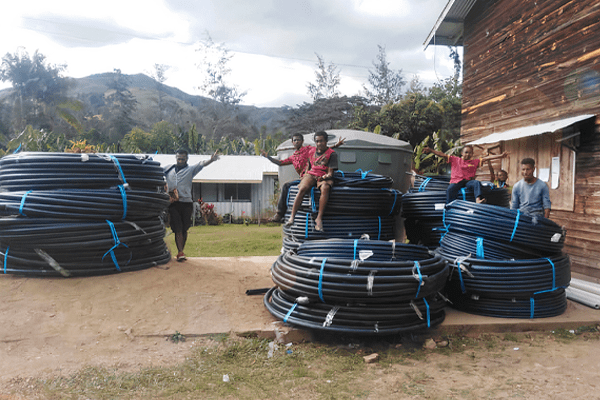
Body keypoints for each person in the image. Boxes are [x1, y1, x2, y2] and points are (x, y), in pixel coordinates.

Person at [261, 133, 344, 222]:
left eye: (298, 140)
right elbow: (281, 163)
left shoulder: (308, 149)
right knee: (286, 186)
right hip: (304, 177)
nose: (296, 142)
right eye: (294, 140)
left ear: (302, 141)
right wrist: (268, 157)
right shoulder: (293, 157)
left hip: (314, 174)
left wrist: (336, 145)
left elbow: (322, 149)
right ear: (292, 142)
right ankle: (279, 214)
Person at [164, 149, 220, 261]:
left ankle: (181, 251)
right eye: (178, 158)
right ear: (176, 158)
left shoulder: (190, 170)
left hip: (187, 203)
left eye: (182, 158)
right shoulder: (168, 169)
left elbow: (201, 165)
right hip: (173, 203)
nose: (180, 160)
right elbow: (155, 175)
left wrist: (211, 160)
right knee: (178, 227)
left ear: (186, 159)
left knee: (184, 228)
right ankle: (180, 252)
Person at [284, 131, 338, 232]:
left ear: (326, 141)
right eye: (317, 141)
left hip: (324, 176)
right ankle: (292, 217)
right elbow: (308, 166)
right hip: (311, 174)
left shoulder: (331, 154)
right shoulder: (311, 152)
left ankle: (319, 218)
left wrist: (325, 177)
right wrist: (304, 175)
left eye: (321, 141)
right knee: (303, 188)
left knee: (325, 188)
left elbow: (330, 173)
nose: (319, 143)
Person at [423, 145, 508, 203]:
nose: (468, 154)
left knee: (476, 183)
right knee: (450, 189)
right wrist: (430, 150)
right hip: (457, 181)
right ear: (462, 153)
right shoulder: (455, 160)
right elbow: (442, 154)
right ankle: (449, 205)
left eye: (470, 152)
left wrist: (500, 156)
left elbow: (487, 158)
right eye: (466, 152)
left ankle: (478, 200)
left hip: (468, 182)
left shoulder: (474, 162)